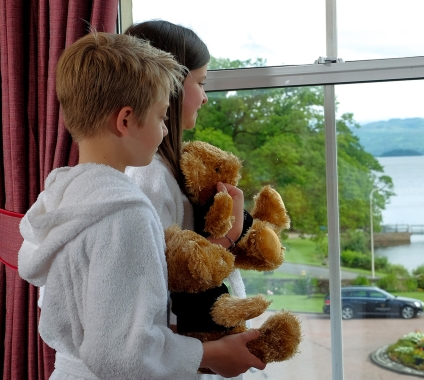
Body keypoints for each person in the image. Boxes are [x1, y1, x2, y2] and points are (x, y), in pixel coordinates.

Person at [17, 31, 265, 380]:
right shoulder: (125, 213)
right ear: (126, 120)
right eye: (162, 116)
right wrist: (211, 354)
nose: (166, 130)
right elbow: (122, 355)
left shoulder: (62, 196)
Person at [123, 21, 255, 380]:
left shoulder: (171, 168)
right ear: (171, 85)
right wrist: (231, 235)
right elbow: (163, 284)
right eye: (201, 82)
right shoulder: (149, 176)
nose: (205, 96)